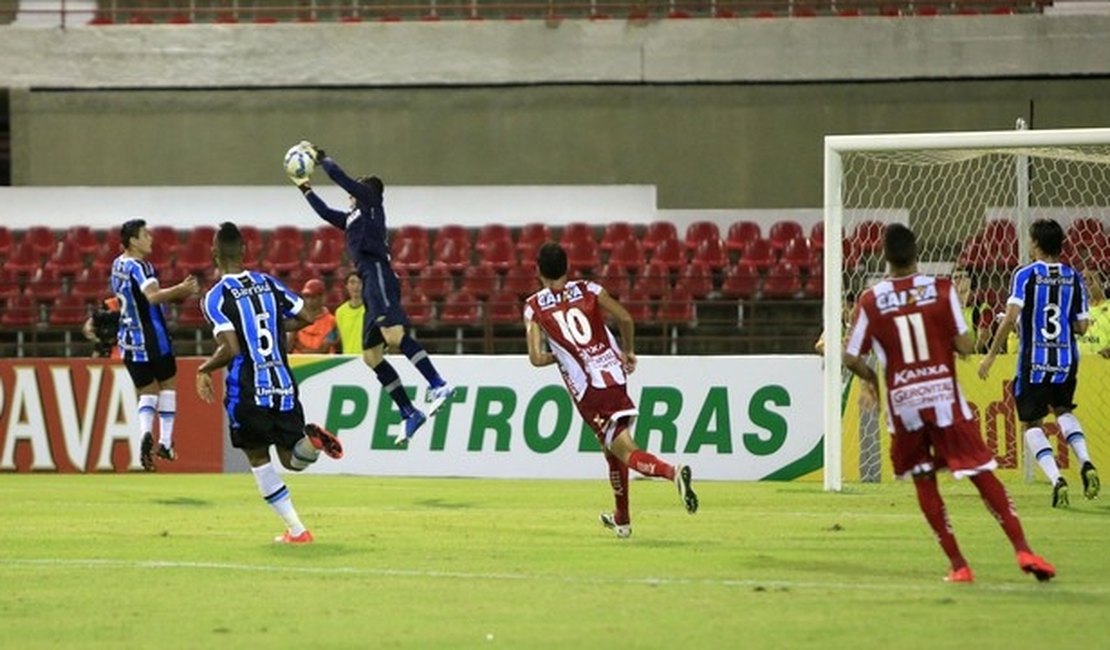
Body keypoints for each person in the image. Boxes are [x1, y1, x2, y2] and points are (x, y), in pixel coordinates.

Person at [845, 224, 1054, 583]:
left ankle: (959, 565)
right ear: (916, 254)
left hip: (904, 406)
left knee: (925, 481)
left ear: (885, 257)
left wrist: (871, 381)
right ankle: (1023, 548)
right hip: (944, 398)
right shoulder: (941, 290)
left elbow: (851, 356)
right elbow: (966, 346)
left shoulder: (870, 299)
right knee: (980, 472)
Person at [524, 242, 697, 539]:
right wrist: (628, 351)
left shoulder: (534, 307)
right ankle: (622, 518)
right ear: (567, 267)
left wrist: (562, 356)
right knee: (610, 450)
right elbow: (626, 318)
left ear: (537, 270)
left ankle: (672, 472)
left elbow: (536, 359)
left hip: (590, 390)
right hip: (613, 375)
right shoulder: (590, 289)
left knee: (625, 450)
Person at [290, 142, 454, 444]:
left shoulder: (370, 202)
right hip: (368, 279)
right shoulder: (353, 217)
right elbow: (327, 213)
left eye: (357, 188)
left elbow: (343, 178)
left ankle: (438, 383)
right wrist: (305, 188)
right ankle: (409, 412)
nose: (351, 192)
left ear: (369, 192)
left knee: (393, 337)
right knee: (372, 356)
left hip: (378, 272)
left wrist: (322, 157)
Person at [196, 222, 344, 544]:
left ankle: (297, 530)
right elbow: (307, 317)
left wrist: (204, 369)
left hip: (248, 387)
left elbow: (231, 349)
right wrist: (275, 325)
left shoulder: (215, 297)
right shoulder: (268, 283)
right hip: (283, 381)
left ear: (213, 254)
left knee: (258, 458)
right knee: (293, 458)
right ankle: (313, 444)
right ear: (245, 251)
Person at [979, 219, 1100, 507]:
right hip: (1066, 360)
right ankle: (1086, 461)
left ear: (1035, 244)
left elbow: (1009, 317)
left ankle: (1057, 479)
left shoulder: (1026, 275)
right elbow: (1082, 327)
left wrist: (991, 355)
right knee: (1062, 410)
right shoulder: (1074, 277)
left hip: (1034, 361)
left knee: (1031, 423)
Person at [110, 218, 199, 471]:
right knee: (168, 384)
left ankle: (144, 433)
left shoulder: (117, 265)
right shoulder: (141, 267)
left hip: (128, 342)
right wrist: (182, 289)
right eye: (145, 234)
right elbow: (153, 297)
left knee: (147, 392)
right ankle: (165, 441)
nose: (150, 238)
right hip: (153, 338)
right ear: (133, 241)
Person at [287, 278, 338, 354]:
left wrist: (300, 348)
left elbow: (323, 349)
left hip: (324, 363)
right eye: (307, 296)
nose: (309, 301)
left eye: (313, 297)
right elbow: (288, 347)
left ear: (322, 298)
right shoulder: (297, 318)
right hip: (297, 362)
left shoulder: (332, 321)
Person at [1077, 268, 1110, 358]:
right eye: (1084, 279)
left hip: (1102, 364)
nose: (1087, 283)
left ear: (1104, 283)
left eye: (1091, 279)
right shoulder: (1077, 307)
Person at [334, 271, 366, 355]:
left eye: (360, 282)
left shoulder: (372, 309)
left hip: (369, 360)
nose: (356, 286)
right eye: (352, 282)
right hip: (348, 360)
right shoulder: (340, 312)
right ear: (346, 286)